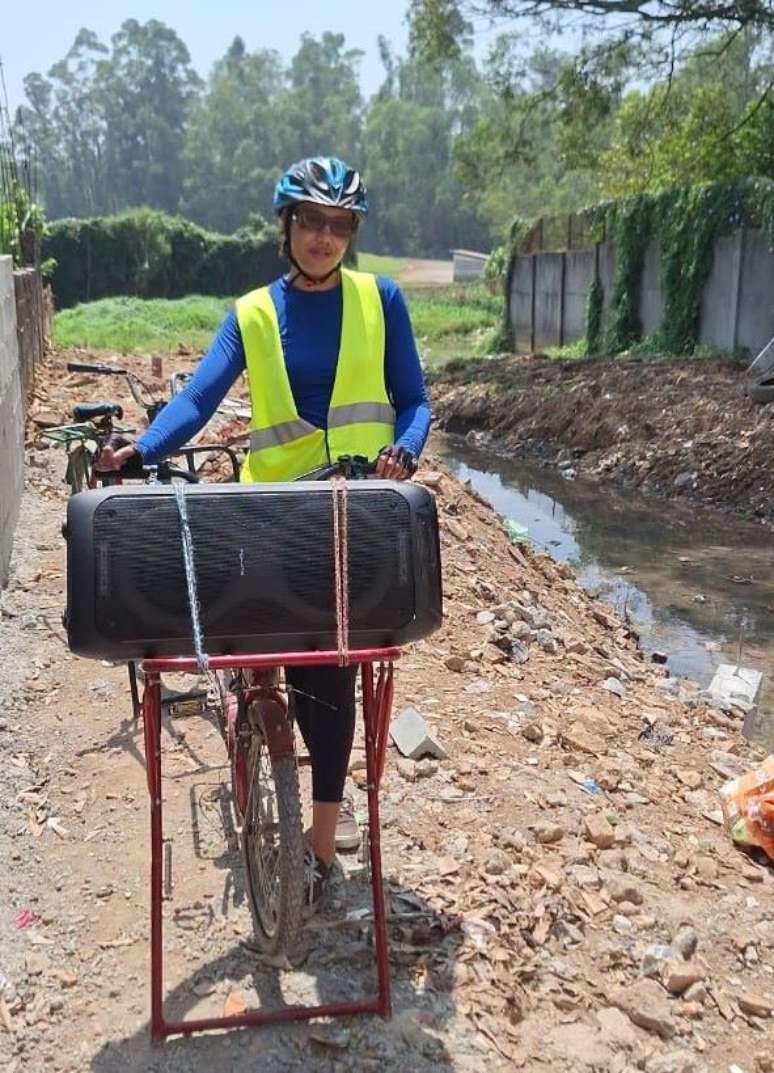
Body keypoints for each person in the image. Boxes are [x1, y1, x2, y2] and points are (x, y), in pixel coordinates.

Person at [96, 155, 432, 907]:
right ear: (286, 226)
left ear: (351, 234)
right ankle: (255, 730)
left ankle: (319, 847)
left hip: (350, 513)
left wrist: (405, 450)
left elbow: (414, 400)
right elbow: (197, 400)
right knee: (258, 643)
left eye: (339, 225)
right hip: (274, 516)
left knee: (331, 674)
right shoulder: (251, 313)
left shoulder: (382, 300)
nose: (324, 237)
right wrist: (140, 450)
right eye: (310, 221)